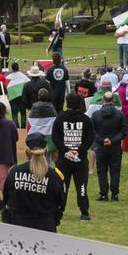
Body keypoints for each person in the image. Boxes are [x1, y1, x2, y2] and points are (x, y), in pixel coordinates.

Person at [3, 132, 67, 232]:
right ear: (46, 152)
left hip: (17, 227)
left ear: (26, 152)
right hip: (45, 227)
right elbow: (61, 204)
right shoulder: (55, 176)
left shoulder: (14, 172)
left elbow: (6, 199)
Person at [52, 92, 94, 221]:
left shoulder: (60, 118)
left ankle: (59, 211)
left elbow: (55, 137)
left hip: (64, 159)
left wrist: (65, 150)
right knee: (81, 186)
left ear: (67, 103)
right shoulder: (86, 120)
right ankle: (84, 213)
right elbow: (90, 138)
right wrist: (79, 150)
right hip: (80, 159)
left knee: (62, 187)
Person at [90, 90, 128, 201]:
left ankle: (103, 193)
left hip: (101, 146)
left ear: (103, 101)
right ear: (113, 101)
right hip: (115, 146)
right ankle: (115, 193)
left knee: (102, 170)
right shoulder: (120, 115)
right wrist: (112, 140)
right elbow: (124, 132)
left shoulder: (96, 115)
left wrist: (102, 140)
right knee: (115, 170)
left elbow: (93, 132)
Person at [27, 87, 58, 156]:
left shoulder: (34, 107)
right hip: (48, 137)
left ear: (38, 97)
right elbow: (55, 121)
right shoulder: (51, 107)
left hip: (35, 137)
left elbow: (30, 123)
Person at [8, 62, 28, 127]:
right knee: (23, 114)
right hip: (22, 97)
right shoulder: (23, 76)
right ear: (18, 68)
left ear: (12, 69)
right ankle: (23, 129)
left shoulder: (8, 77)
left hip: (13, 97)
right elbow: (28, 84)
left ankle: (16, 128)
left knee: (14, 114)